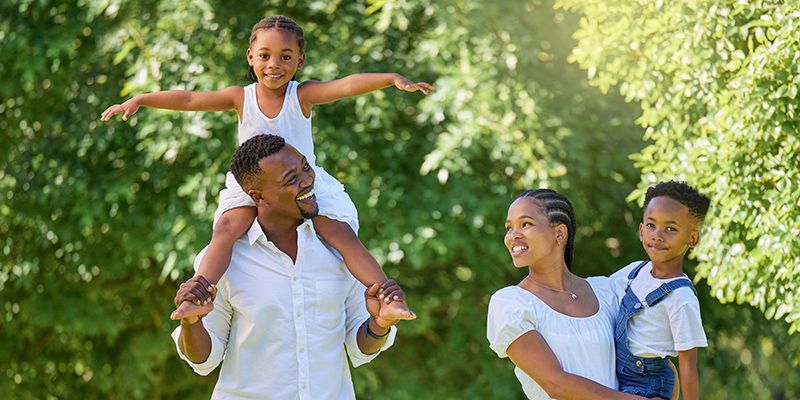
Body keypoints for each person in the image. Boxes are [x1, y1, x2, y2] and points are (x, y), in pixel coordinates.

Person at [101, 15, 431, 319]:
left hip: (299, 181)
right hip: (253, 182)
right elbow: (189, 99)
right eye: (265, 55)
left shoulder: (301, 95)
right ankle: (197, 293)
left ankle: (388, 295)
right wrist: (141, 99)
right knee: (227, 230)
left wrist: (390, 79)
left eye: (285, 56)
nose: (274, 64)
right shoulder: (240, 97)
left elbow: (345, 84)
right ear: (250, 57)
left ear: (299, 61)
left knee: (338, 232)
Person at [172, 134, 406, 399]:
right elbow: (203, 360)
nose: (307, 180)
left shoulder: (340, 250)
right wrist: (192, 323)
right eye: (291, 179)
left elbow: (360, 346)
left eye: (305, 167)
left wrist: (380, 323)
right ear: (258, 196)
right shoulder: (226, 259)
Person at [487, 188, 657, 400]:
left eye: (526, 224)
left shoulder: (608, 292)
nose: (513, 235)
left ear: (559, 233)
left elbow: (656, 359)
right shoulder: (511, 304)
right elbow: (555, 383)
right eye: (509, 228)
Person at [611, 181, 710, 400]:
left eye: (671, 229)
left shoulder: (681, 297)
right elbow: (595, 293)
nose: (657, 235)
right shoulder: (634, 272)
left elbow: (688, 363)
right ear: (641, 231)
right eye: (651, 225)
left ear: (692, 238)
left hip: (649, 385)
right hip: (617, 375)